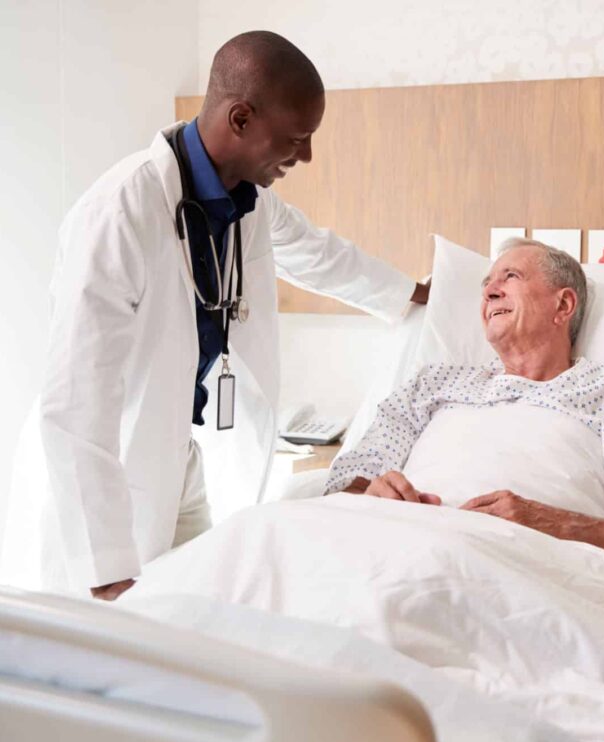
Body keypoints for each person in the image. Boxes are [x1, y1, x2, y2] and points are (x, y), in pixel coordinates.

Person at [0, 31, 427, 599]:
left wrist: (412, 294)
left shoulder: (247, 198)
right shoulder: (119, 214)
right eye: (297, 138)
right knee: (113, 649)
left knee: (207, 608)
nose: (304, 156)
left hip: (177, 458)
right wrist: (105, 571)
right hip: (103, 479)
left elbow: (316, 253)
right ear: (242, 118)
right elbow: (75, 405)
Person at [324, 238, 604, 571]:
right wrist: (372, 498)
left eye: (510, 277)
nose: (489, 291)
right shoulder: (432, 386)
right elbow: (348, 490)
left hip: (519, 569)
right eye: (486, 284)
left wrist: (553, 524)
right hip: (389, 552)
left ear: (563, 306)